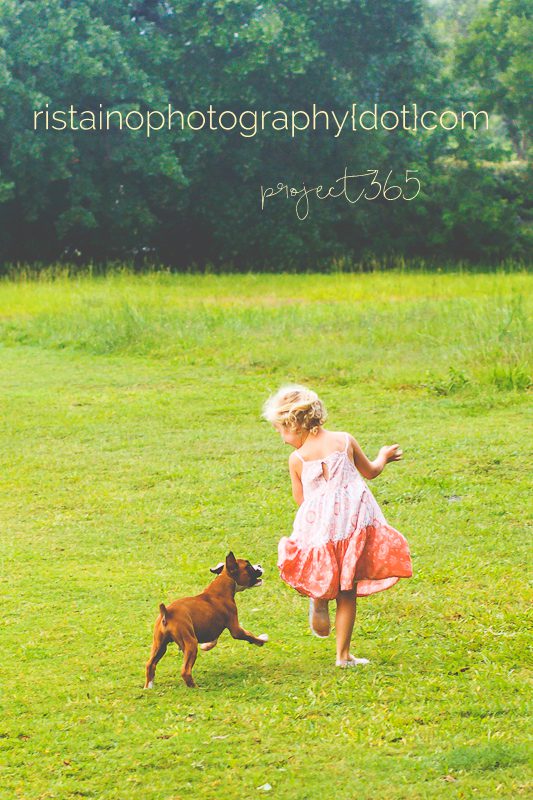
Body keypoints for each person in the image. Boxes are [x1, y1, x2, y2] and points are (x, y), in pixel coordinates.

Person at [263, 384, 412, 667]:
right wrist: (383, 456)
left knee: (326, 570)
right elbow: (371, 471)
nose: (282, 439)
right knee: (347, 589)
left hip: (321, 531)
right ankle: (343, 656)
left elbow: (301, 500)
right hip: (353, 526)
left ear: (295, 424)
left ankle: (319, 599)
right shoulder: (344, 441)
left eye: (281, 430)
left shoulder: (297, 459)